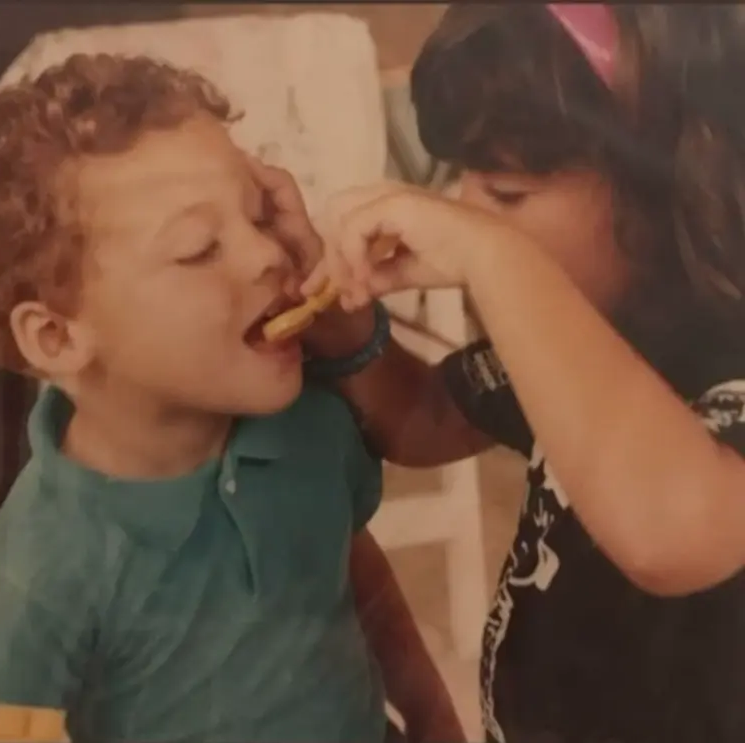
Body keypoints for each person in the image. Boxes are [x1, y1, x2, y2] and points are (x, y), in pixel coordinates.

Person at [266, 4, 745, 743]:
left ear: (671, 181)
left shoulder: (724, 351)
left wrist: (494, 256)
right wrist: (339, 318)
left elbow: (672, 532)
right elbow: (423, 416)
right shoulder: (587, 320)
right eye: (464, 179)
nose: (466, 207)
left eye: (507, 193)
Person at [0, 54, 464, 743]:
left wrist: (431, 714)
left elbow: (358, 577)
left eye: (257, 216)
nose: (267, 256)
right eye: (198, 249)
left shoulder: (310, 426)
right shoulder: (35, 574)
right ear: (58, 336)